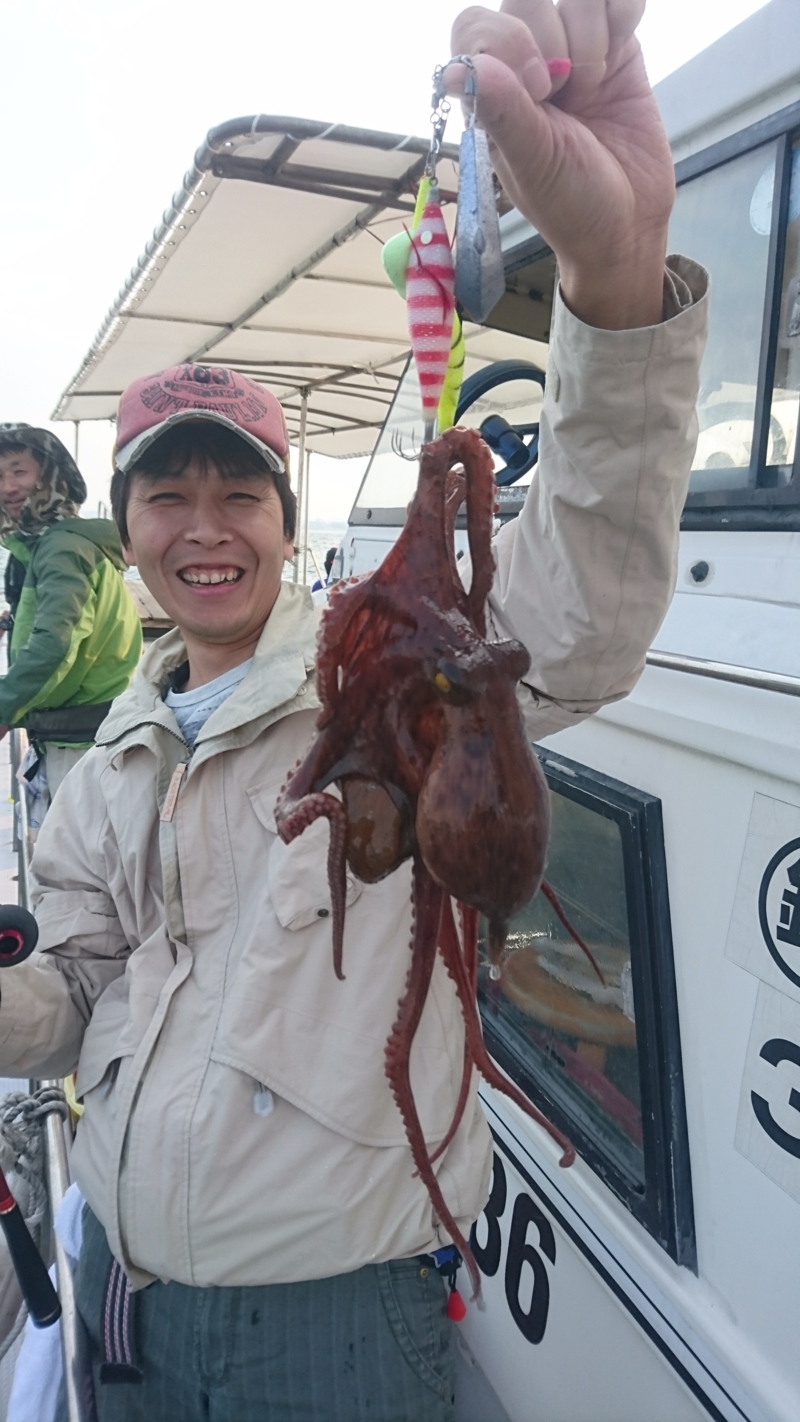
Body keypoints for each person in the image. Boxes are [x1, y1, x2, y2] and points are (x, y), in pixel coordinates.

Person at [0, 3, 708, 1418]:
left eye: (240, 494)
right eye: (168, 496)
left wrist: (614, 278)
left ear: (283, 517)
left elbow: (580, 618)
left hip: (332, 1331)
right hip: (128, 1304)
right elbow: (70, 996)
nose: (206, 529)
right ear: (130, 527)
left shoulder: (388, 681)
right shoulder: (114, 762)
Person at [0, 426, 142, 811]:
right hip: (87, 731)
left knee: (72, 867)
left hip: (82, 744)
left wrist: (4, 706)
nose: (8, 487)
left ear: (50, 475)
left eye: (19, 471)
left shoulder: (61, 547)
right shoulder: (59, 542)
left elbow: (56, 642)